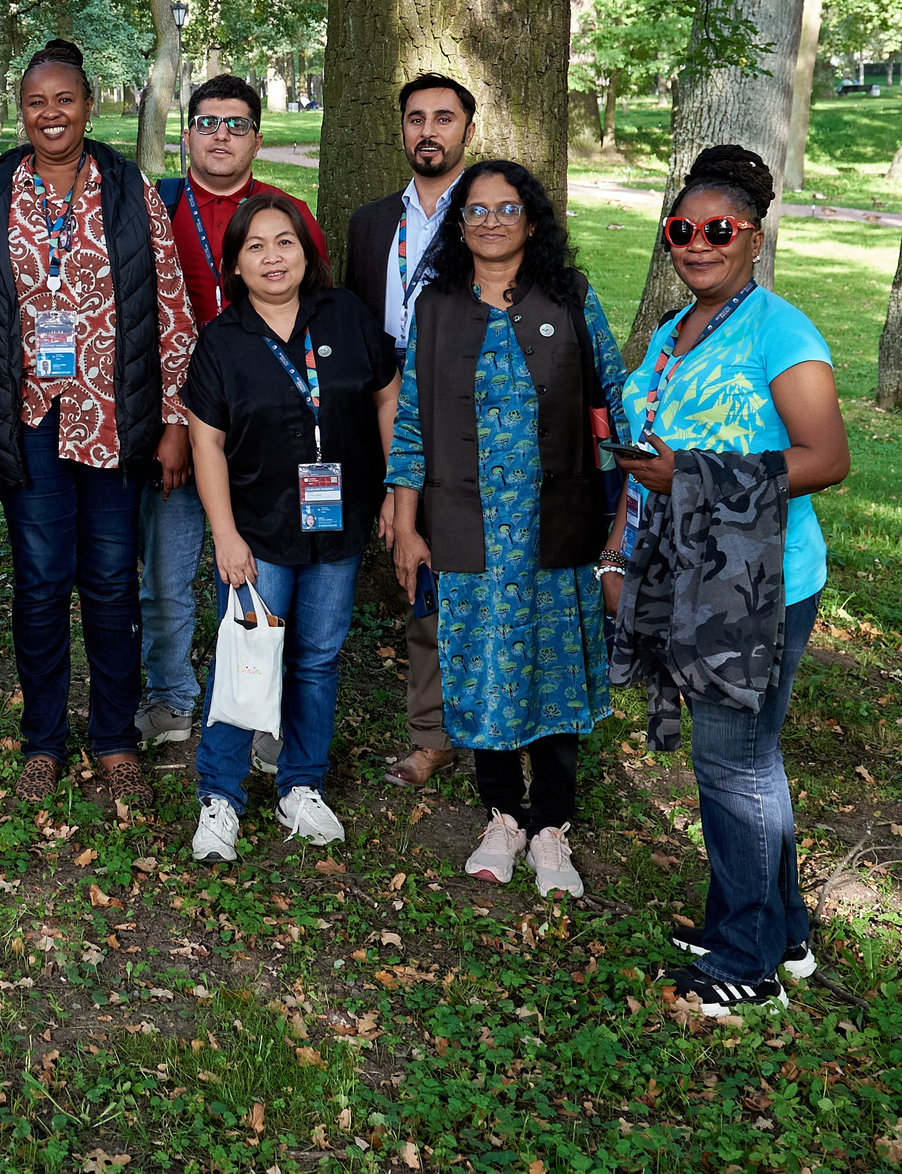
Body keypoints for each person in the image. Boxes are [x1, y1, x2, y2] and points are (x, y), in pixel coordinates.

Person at [612, 145, 851, 1017]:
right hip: (688, 573)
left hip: (758, 582)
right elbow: (644, 457)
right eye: (682, 230)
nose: (697, 244)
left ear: (754, 237)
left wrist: (693, 475)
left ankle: (746, 961)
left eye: (719, 229)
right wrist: (618, 554)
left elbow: (828, 457)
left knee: (732, 762)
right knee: (749, 757)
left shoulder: (780, 331)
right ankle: (777, 932)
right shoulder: (674, 331)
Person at [0, 39, 198, 817]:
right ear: (22, 112)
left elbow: (170, 305)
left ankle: (113, 738)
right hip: (27, 421)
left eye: (64, 100)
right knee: (43, 582)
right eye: (35, 102)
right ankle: (44, 741)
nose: (50, 114)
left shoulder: (129, 189)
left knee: (113, 581)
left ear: (88, 104)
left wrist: (174, 420)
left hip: (114, 419)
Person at [385, 159, 625, 900]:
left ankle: (550, 823)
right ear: (458, 225)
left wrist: (624, 516)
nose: (491, 221)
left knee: (555, 672)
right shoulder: (436, 306)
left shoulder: (571, 295)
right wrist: (406, 524)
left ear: (532, 219)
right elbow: (412, 423)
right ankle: (502, 816)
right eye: (477, 210)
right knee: (480, 669)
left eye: (508, 208)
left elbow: (616, 399)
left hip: (556, 525)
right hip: (466, 528)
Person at [184, 194, 395, 862]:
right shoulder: (222, 341)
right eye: (256, 246)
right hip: (258, 531)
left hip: (338, 523)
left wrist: (396, 489)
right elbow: (205, 441)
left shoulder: (346, 315)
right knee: (246, 653)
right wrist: (225, 534)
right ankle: (220, 794)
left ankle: (300, 784)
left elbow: (387, 395)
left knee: (318, 657)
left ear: (307, 253)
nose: (272, 257)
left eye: (285, 242)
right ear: (235, 265)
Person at [137, 74, 325, 754]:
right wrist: (174, 425)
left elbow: (317, 319)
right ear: (186, 134)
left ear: (258, 138)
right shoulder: (155, 207)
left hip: (267, 435)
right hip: (177, 427)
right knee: (166, 576)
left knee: (270, 577)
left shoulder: (287, 215)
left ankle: (263, 709)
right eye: (208, 122)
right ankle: (170, 696)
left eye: (237, 124)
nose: (221, 135)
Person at [345, 72, 477, 791]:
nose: (428, 131)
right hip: (381, 404)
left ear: (467, 131)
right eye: (416, 118)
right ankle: (434, 730)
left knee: (457, 560)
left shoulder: (487, 215)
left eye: (444, 118)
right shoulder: (370, 224)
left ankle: (466, 722)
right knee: (411, 558)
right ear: (400, 129)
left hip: (464, 412)